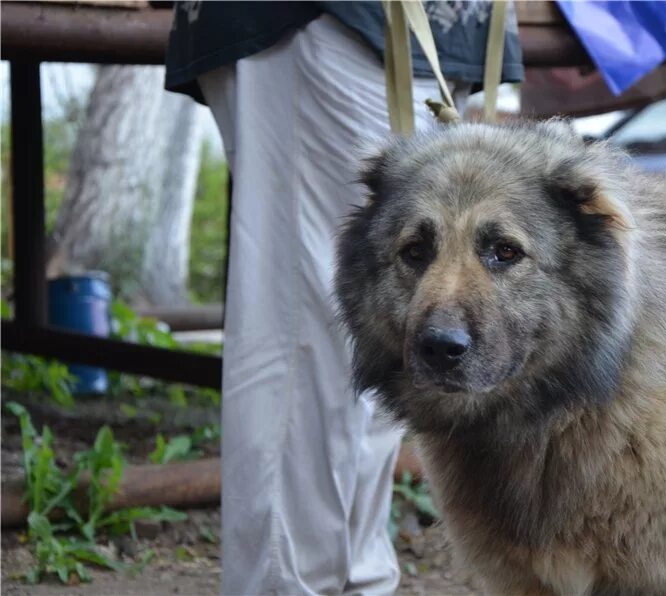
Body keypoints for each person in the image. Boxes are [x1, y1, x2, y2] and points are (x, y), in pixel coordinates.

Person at [164, 2, 523, 594]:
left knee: (392, 332)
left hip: (439, 27)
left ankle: (356, 580)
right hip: (324, 19)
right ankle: (286, 586)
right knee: (311, 332)